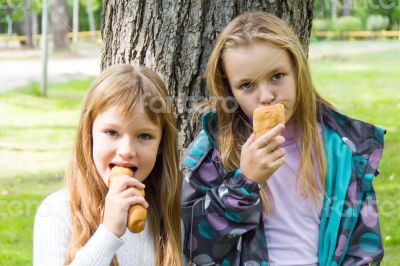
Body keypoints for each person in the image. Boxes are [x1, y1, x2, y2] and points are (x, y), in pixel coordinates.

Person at [181, 11, 385, 265]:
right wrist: (245, 182)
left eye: (277, 76)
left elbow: (365, 249)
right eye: (247, 85)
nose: (266, 96)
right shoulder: (216, 149)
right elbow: (193, 245)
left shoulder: (344, 149)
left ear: (298, 71)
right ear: (229, 92)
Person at [33, 64, 182, 265]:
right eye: (112, 132)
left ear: (161, 145)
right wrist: (109, 233)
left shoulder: (165, 218)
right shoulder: (57, 212)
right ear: (89, 134)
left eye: (144, 136)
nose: (127, 150)